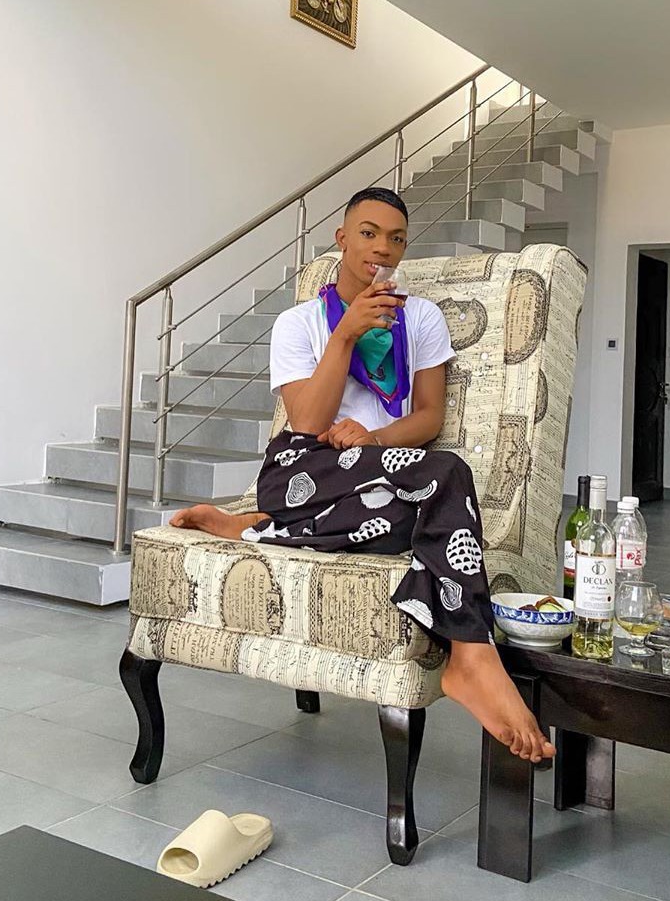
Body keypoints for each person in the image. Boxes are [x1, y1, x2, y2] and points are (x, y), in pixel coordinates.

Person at [172, 187, 553, 763]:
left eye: (396, 238)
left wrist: (373, 440)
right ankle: (473, 654)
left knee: (432, 495)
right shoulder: (299, 323)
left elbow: (429, 417)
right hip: (304, 469)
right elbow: (306, 421)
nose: (383, 248)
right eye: (369, 233)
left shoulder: (420, 317)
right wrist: (346, 333)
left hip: (383, 472)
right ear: (342, 239)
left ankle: (258, 527)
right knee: (444, 484)